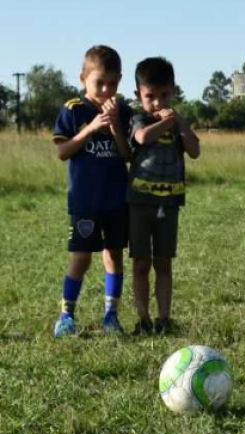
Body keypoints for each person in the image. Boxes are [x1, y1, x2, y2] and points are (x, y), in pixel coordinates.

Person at [52, 45, 132, 337]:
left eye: (112, 83)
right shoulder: (73, 110)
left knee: (114, 254)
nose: (106, 89)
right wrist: (89, 129)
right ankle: (66, 315)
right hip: (85, 200)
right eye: (100, 83)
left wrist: (115, 130)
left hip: (115, 199)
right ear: (83, 77)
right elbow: (63, 151)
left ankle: (111, 315)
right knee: (82, 257)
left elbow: (127, 155)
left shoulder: (122, 111)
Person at [127, 57, 200, 335]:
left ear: (174, 91)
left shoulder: (177, 123)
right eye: (150, 97)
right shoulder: (138, 119)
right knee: (142, 263)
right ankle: (143, 318)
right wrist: (164, 122)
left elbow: (194, 150)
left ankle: (165, 318)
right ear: (139, 96)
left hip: (169, 204)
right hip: (140, 203)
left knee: (164, 263)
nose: (158, 102)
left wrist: (178, 121)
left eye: (165, 95)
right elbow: (143, 138)